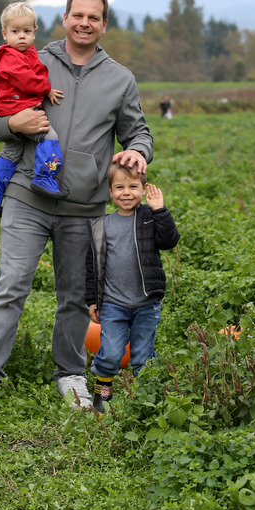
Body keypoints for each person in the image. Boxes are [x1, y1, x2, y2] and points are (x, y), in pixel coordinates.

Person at [0, 0, 153, 409]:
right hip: (26, 194)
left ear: (104, 25)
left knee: (74, 295)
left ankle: (70, 374)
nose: (84, 23)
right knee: (11, 284)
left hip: (84, 207)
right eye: (77, 15)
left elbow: (138, 131)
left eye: (94, 17)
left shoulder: (120, 79)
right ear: (65, 19)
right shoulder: (32, 58)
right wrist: (13, 123)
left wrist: (137, 152)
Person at [86, 164, 180, 413]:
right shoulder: (101, 225)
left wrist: (160, 210)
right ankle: (103, 394)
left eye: (133, 187)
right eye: (119, 187)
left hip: (146, 303)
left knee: (142, 354)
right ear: (110, 190)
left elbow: (169, 241)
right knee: (110, 352)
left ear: (143, 189)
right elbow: (92, 267)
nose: (126, 193)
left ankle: (144, 397)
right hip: (113, 304)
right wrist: (92, 300)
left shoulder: (149, 218)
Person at [0, 2, 66, 216]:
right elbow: (26, 79)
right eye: (15, 32)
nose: (22, 37)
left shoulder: (25, 54)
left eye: (26, 31)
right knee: (48, 135)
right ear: (4, 34)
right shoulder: (10, 56)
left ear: (34, 32)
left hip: (9, 105)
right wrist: (46, 88)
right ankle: (45, 176)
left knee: (12, 149)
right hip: (15, 106)